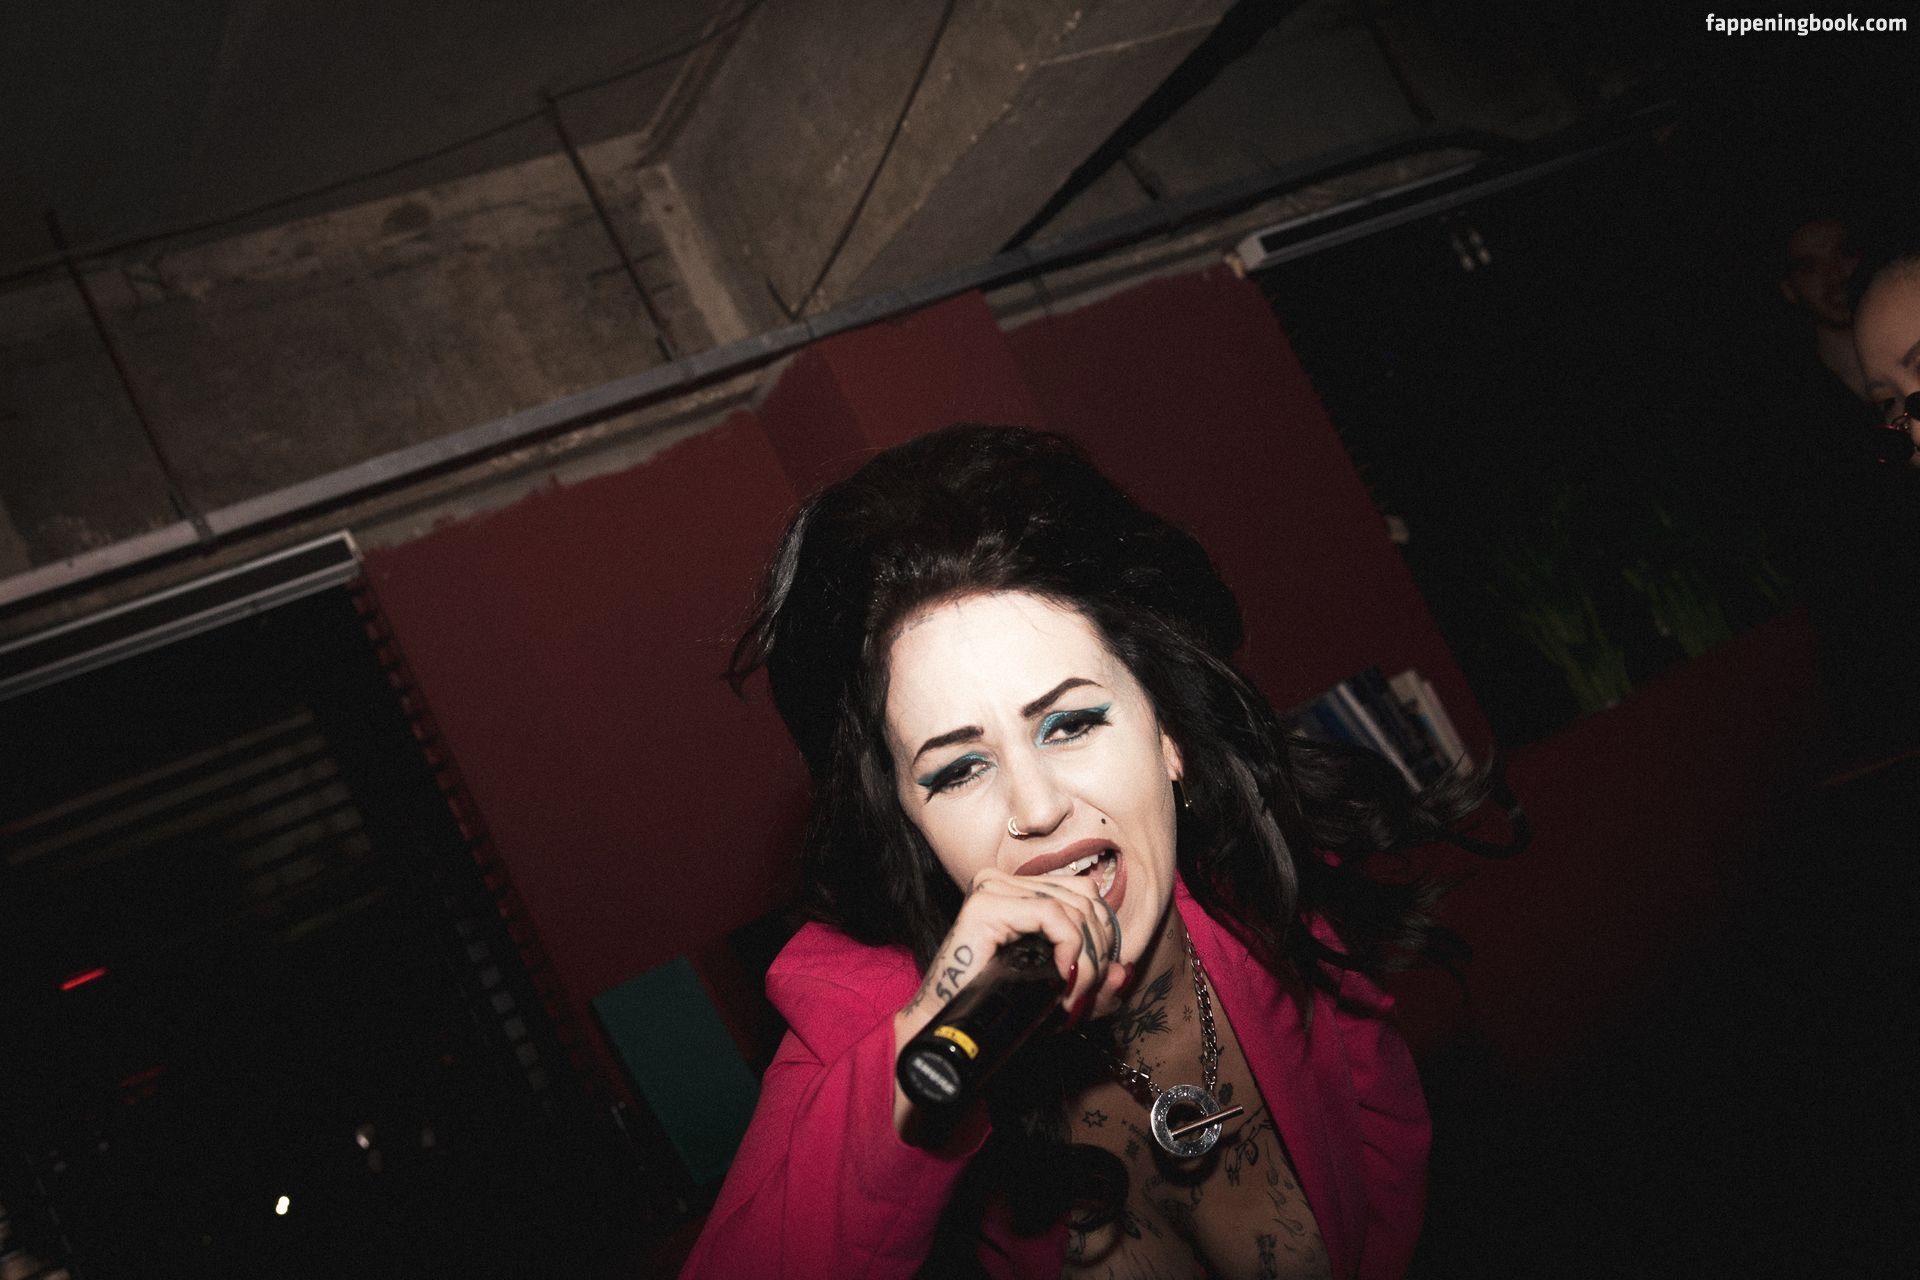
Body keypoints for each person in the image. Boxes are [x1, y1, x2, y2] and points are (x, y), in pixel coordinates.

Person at [682, 425, 1495, 1279]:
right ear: (909, 822)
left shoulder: (1278, 889)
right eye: (959, 770)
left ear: (1169, 731)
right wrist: (934, 1048)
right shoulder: (864, 1017)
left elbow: (1388, 1184)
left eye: (1069, 724)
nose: (1037, 809)